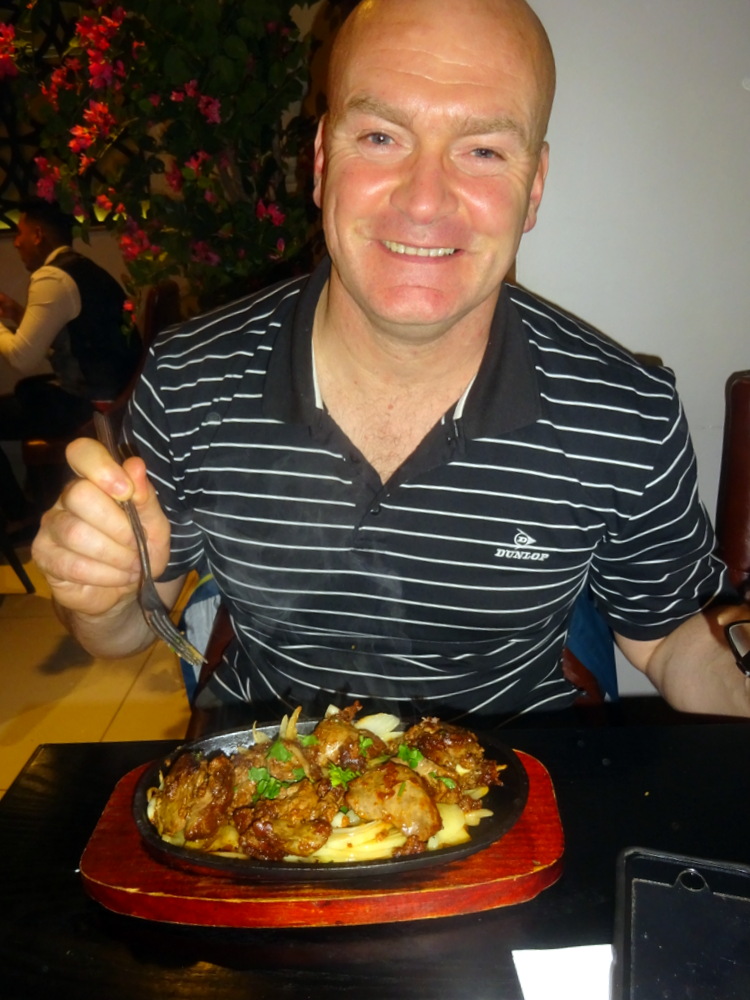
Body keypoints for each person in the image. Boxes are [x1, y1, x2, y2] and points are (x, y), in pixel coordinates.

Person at [31, 0, 750, 725]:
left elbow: (672, 638)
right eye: (381, 137)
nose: (424, 200)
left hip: (515, 775)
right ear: (321, 162)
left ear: (533, 188)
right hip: (261, 772)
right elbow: (127, 630)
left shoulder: (624, 412)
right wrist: (101, 593)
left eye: (483, 151)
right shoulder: (192, 378)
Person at [0, 198, 139, 530]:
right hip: (114, 392)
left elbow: (21, 357)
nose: (16, 242)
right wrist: (17, 315)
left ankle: (18, 513)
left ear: (38, 234)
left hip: (92, 406)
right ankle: (26, 505)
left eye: (20, 233)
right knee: (25, 394)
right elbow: (69, 341)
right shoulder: (81, 269)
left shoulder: (51, 278)